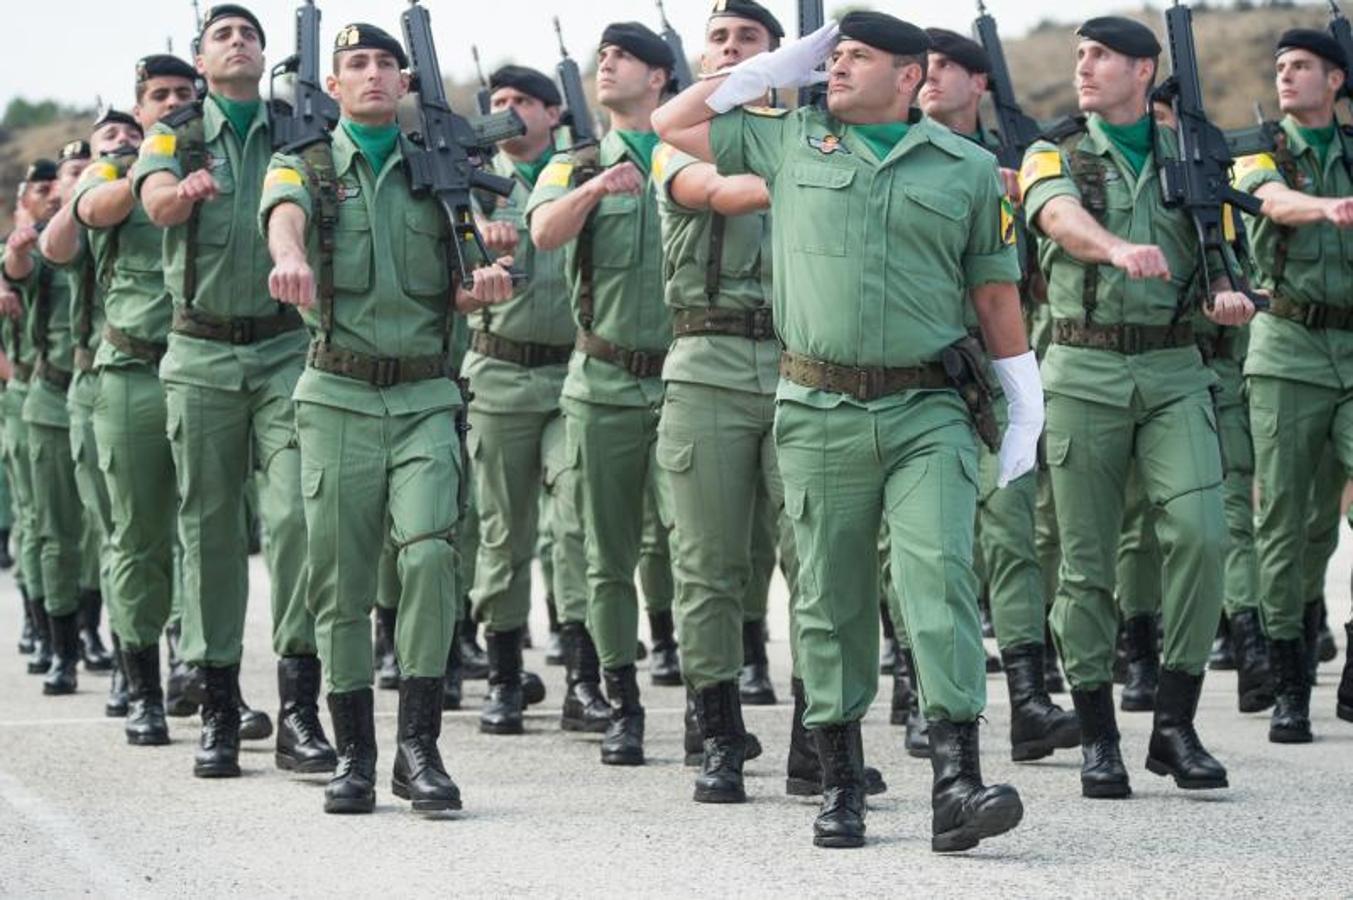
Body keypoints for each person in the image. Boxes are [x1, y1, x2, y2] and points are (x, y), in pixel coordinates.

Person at [655, 11, 1035, 852]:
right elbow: (671, 121)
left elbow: (994, 293)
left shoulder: (966, 168)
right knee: (828, 598)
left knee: (937, 581)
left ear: (908, 76)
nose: (836, 67)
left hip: (928, 408)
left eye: (856, 57)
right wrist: (769, 70)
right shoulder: (788, 140)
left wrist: (1025, 398)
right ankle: (837, 782)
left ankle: (956, 784)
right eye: (833, 55)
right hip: (817, 407)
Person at [262, 22, 515, 814]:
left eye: (384, 63)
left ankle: (419, 749)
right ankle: (355, 756)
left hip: (424, 397)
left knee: (431, 557)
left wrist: (485, 285)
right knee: (339, 579)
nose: (372, 74)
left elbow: (465, 281)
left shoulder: (441, 171)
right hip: (336, 396)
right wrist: (289, 256)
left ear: (405, 82)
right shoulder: (302, 164)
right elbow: (283, 214)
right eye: (355, 64)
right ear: (332, 86)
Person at [1020, 16, 1254, 799]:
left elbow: (1224, 257)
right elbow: (1055, 215)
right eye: (1079, 54)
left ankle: (1174, 724)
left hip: (1174, 368)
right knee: (1086, 563)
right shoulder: (1054, 151)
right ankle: (1097, 736)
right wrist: (1115, 248)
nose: (1082, 66)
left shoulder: (1196, 157)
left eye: (1101, 56)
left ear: (1144, 69)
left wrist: (1226, 295)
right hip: (1082, 367)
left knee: (1202, 534)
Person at [132, 4, 326, 778]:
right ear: (201, 60)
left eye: (249, 33)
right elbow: (153, 201)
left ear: (264, 53)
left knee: (298, 519)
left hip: (285, 349)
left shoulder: (300, 128)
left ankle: (300, 711)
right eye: (223, 34)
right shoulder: (174, 134)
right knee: (209, 531)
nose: (238, 41)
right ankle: (217, 706)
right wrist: (182, 194)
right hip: (202, 352)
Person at [527, 21, 677, 767]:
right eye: (603, 56)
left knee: (700, 553)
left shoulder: (695, 152)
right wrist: (592, 188)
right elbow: (544, 234)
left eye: (624, 57)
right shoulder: (574, 162)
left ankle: (712, 703)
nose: (606, 64)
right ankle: (622, 702)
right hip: (605, 383)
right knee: (606, 554)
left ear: (659, 77)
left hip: (687, 381)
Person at [1229, 29, 1353, 741]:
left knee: (1327, 525)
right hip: (1287, 351)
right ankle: (1289, 681)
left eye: (1302, 66)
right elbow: (1272, 202)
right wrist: (1328, 207)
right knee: (1286, 522)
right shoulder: (1258, 152)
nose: (1286, 76)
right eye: (1279, 66)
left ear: (1335, 79)